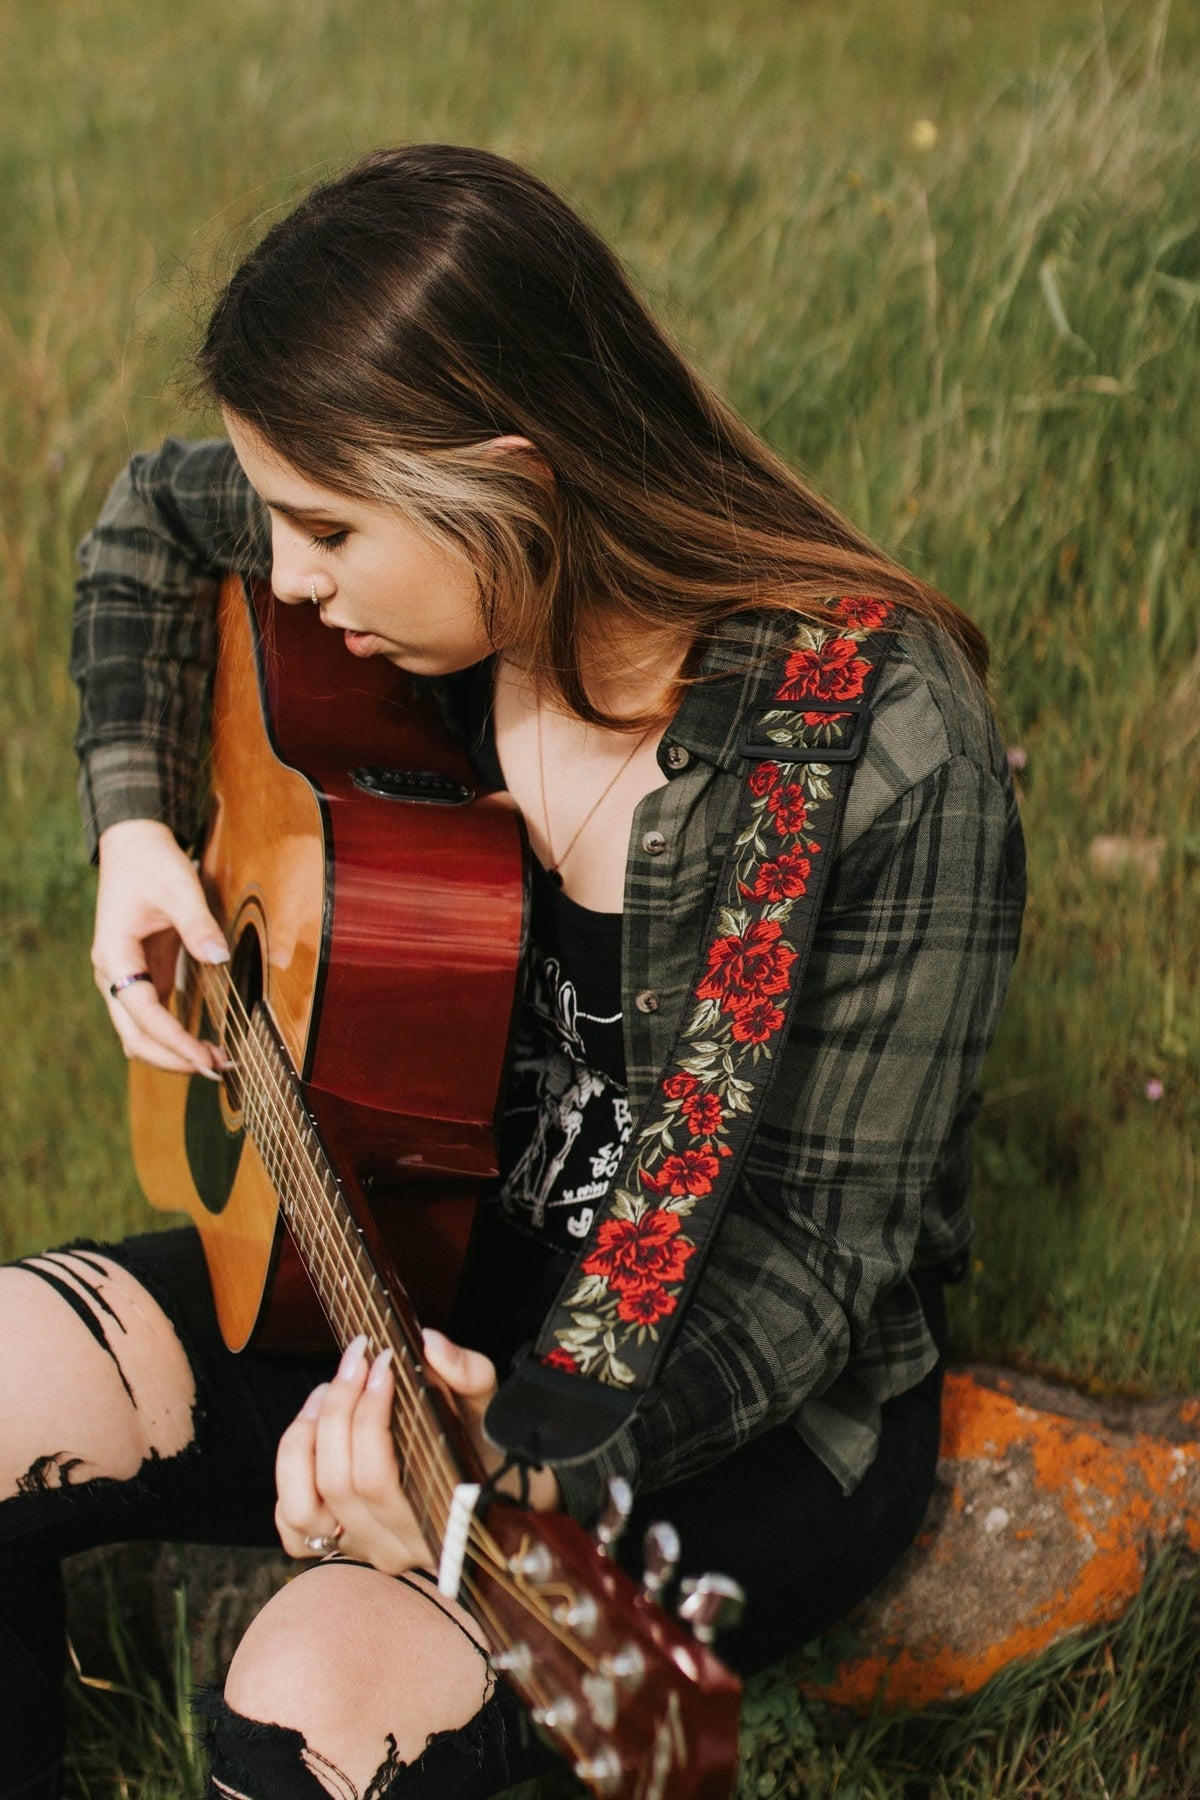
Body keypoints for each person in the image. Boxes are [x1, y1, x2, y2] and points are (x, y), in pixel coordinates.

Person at [2, 144, 1024, 1800]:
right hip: (404, 1255)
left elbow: (818, 1265)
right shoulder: (440, 598)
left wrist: (502, 1464)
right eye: (280, 518)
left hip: (706, 1406)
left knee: (323, 1702)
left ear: (516, 482)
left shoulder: (870, 754)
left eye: (326, 527)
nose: (294, 574)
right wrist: (134, 826)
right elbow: (145, 523)